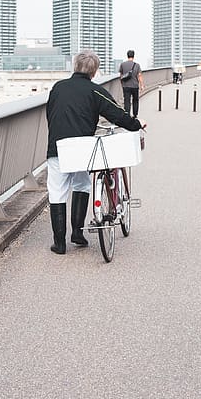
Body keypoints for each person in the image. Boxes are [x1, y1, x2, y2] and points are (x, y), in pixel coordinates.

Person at [46, 50, 146, 255]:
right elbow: (116, 114)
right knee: (82, 184)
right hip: (82, 147)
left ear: (75, 66)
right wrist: (136, 124)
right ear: (94, 72)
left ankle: (59, 243)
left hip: (57, 146)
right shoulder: (94, 91)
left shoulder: (57, 88)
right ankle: (77, 234)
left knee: (57, 191)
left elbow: (50, 113)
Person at [118, 49, 144, 117]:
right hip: (135, 86)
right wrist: (141, 85)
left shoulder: (122, 64)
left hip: (126, 86)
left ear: (127, 56)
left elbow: (121, 75)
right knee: (135, 100)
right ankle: (135, 115)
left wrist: (122, 84)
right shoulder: (137, 65)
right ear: (133, 56)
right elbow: (139, 75)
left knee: (127, 101)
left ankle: (127, 115)